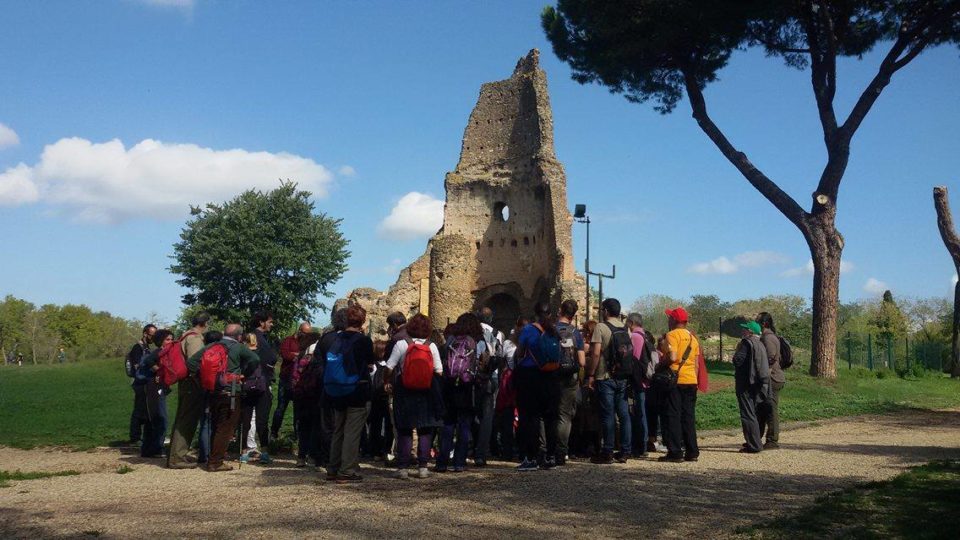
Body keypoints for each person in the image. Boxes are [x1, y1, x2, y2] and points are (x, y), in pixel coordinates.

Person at [384, 313, 444, 479]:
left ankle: (403, 468)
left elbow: (389, 367)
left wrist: (387, 381)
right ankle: (423, 467)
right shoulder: (431, 346)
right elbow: (439, 371)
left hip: (404, 389)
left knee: (404, 428)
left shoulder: (402, 344)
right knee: (425, 429)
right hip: (427, 390)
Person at [195, 323, 261, 472]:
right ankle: (215, 462)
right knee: (225, 427)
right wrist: (244, 374)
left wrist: (205, 379)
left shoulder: (211, 346)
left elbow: (192, 362)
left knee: (216, 425)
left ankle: (212, 457)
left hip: (212, 390)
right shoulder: (238, 347)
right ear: (239, 336)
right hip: (231, 391)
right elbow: (255, 359)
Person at [324, 305, 376, 484]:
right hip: (356, 389)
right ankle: (346, 471)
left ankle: (333, 468)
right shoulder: (363, 341)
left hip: (336, 389)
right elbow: (370, 365)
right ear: (362, 321)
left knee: (338, 429)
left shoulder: (334, 339)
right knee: (352, 432)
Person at [437, 313, 488, 473]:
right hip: (468, 387)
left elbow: (443, 360)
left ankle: (442, 463)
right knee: (465, 425)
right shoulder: (478, 342)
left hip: (450, 386)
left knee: (448, 424)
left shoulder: (451, 340)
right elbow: (483, 364)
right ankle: (459, 462)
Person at [514, 302, 560, 472]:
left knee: (530, 417)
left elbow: (520, 352)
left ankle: (531, 458)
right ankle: (551, 457)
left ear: (535, 313)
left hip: (531, 375)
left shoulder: (529, 330)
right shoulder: (554, 330)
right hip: (552, 376)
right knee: (551, 418)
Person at [586, 298, 632, 464]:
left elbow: (596, 353)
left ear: (605, 311)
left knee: (607, 415)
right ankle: (625, 450)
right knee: (624, 414)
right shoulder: (626, 328)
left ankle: (607, 452)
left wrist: (591, 375)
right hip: (623, 376)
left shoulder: (601, 327)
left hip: (605, 376)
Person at [167, 312, 210, 468]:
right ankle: (177, 457)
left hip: (186, 382)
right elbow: (195, 362)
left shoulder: (185, 335)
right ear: (205, 323)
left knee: (183, 417)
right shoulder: (195, 338)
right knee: (187, 419)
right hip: (192, 383)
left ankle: (175, 454)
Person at [658, 307, 701, 463]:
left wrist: (662, 364)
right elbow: (696, 364)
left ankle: (675, 452)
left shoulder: (672, 335)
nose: (668, 320)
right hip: (691, 380)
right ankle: (692, 451)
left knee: (673, 415)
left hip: (676, 380)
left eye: (670, 318)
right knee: (688, 416)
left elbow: (673, 356)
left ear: (674, 321)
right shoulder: (692, 338)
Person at [241, 310, 277, 464]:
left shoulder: (248, 337)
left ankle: (243, 451)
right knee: (262, 419)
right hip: (261, 382)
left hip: (247, 383)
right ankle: (265, 452)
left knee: (245, 418)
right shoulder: (262, 338)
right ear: (262, 322)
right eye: (269, 321)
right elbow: (271, 358)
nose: (271, 324)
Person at [555, 300, 585, 465]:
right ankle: (562, 452)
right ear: (573, 315)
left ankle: (548, 450)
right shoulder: (576, 333)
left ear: (560, 311)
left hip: (552, 375)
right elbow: (582, 361)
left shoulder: (552, 329)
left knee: (550, 412)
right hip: (570, 377)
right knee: (565, 415)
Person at [135, 329, 174, 458]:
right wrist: (158, 372)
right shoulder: (159, 352)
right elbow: (148, 361)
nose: (170, 341)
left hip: (156, 387)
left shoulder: (165, 353)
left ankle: (149, 448)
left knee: (154, 418)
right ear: (160, 341)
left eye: (171, 339)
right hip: (154, 388)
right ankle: (156, 447)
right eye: (167, 339)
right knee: (160, 417)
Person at [493, 316, 527, 462]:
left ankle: (507, 451)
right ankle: (523, 451)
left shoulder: (507, 343)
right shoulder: (530, 342)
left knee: (507, 416)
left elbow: (500, 362)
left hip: (509, 382)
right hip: (524, 381)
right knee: (524, 417)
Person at [734, 320, 770, 453]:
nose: (743, 331)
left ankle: (754, 445)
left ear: (750, 332)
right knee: (752, 413)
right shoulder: (760, 344)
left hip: (745, 383)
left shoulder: (745, 343)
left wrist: (737, 351)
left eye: (745, 329)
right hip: (757, 382)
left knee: (747, 414)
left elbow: (738, 360)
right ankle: (755, 442)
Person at [474, 307, 504, 467]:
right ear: (491, 318)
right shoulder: (498, 333)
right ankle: (481, 454)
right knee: (487, 416)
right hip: (492, 377)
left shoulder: (473, 332)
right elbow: (502, 357)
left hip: (474, 376)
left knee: (472, 412)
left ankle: (470, 447)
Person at [274, 321, 312, 441]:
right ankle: (274, 433)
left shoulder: (307, 343)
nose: (306, 336)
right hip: (286, 378)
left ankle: (297, 436)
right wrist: (297, 355)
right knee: (281, 407)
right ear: (300, 330)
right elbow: (285, 354)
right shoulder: (289, 340)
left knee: (298, 410)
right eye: (304, 333)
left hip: (300, 381)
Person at [757, 312, 785, 450]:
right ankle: (758, 438)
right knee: (762, 408)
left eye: (758, 322)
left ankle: (772, 440)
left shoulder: (768, 338)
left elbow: (771, 357)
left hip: (772, 378)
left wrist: (763, 375)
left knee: (771, 409)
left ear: (763, 323)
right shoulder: (770, 336)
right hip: (773, 377)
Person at [126, 324, 157, 446]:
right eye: (151, 335)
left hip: (146, 382)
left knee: (145, 410)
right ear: (145, 333)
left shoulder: (147, 347)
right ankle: (135, 437)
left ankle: (143, 436)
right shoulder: (137, 348)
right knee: (139, 410)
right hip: (139, 383)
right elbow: (137, 365)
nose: (153, 338)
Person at [625, 312, 649, 459]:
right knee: (642, 412)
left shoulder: (635, 337)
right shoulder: (645, 335)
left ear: (631, 323)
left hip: (637, 380)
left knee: (638, 413)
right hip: (646, 380)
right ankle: (643, 444)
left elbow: (633, 358)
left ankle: (639, 446)